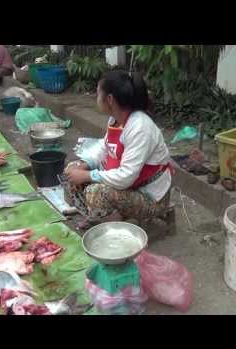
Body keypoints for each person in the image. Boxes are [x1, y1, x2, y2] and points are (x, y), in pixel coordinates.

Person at [64, 70, 173, 230]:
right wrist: (85, 164)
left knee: (96, 193)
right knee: (71, 170)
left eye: (98, 94)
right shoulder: (116, 119)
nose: (96, 98)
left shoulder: (140, 127)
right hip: (131, 184)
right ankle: (96, 217)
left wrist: (88, 175)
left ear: (109, 99)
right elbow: (105, 146)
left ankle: (109, 230)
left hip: (151, 197)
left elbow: (126, 176)